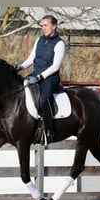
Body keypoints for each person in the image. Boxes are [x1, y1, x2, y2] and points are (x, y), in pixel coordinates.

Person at [15, 15, 66, 144]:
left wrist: (40, 76)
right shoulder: (39, 40)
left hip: (50, 78)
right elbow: (31, 59)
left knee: (43, 100)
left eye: (46, 25)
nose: (43, 28)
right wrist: (20, 67)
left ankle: (49, 131)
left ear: (54, 26)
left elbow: (56, 66)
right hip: (35, 74)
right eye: (42, 25)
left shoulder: (60, 43)